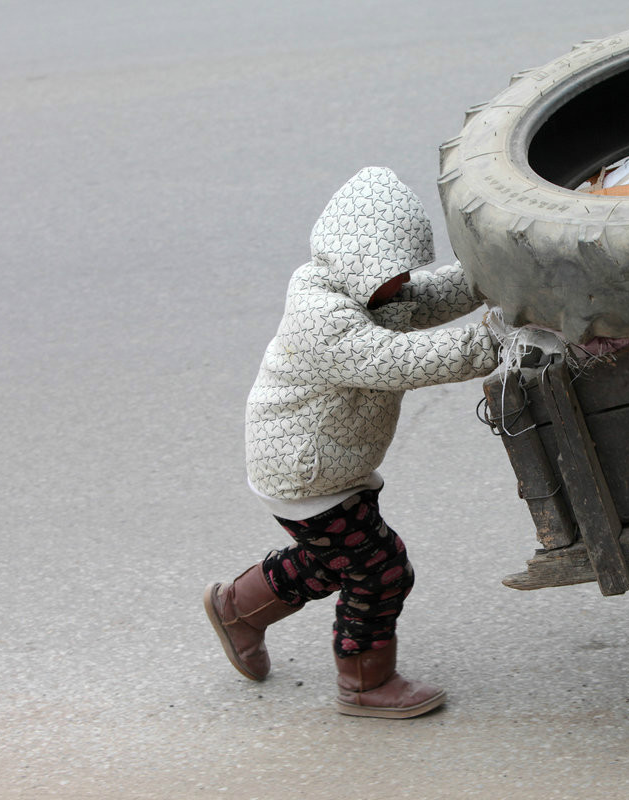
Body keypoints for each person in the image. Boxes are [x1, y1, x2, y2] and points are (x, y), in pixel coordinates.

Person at [204, 166, 499, 719]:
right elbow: (403, 361)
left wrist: (497, 273)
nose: (406, 284)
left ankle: (238, 611)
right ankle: (364, 683)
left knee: (334, 560)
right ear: (363, 265)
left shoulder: (371, 288)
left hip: (326, 464)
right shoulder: (327, 320)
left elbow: (436, 294)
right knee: (381, 567)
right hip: (305, 471)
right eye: (396, 274)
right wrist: (493, 342)